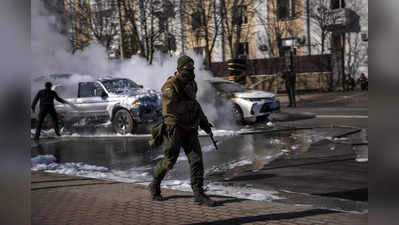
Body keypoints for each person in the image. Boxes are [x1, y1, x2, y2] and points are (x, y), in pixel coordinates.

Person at [149, 55, 215, 207]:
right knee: (169, 161)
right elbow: (171, 109)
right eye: (187, 69)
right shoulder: (170, 86)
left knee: (196, 160)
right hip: (175, 128)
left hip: (190, 128)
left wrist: (204, 122)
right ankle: (155, 184)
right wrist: (190, 107)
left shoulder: (192, 84)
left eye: (192, 69)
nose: (191, 72)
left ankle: (198, 193)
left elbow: (195, 105)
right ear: (179, 69)